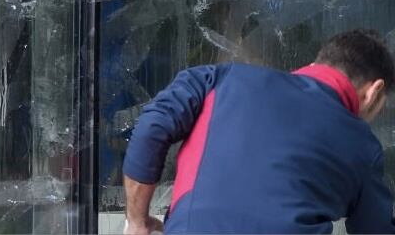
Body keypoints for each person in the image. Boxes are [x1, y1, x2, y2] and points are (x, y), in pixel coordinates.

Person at [122, 29, 395, 234]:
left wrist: (137, 221)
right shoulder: (361, 145)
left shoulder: (219, 79)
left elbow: (152, 128)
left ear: (317, 64)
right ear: (374, 91)